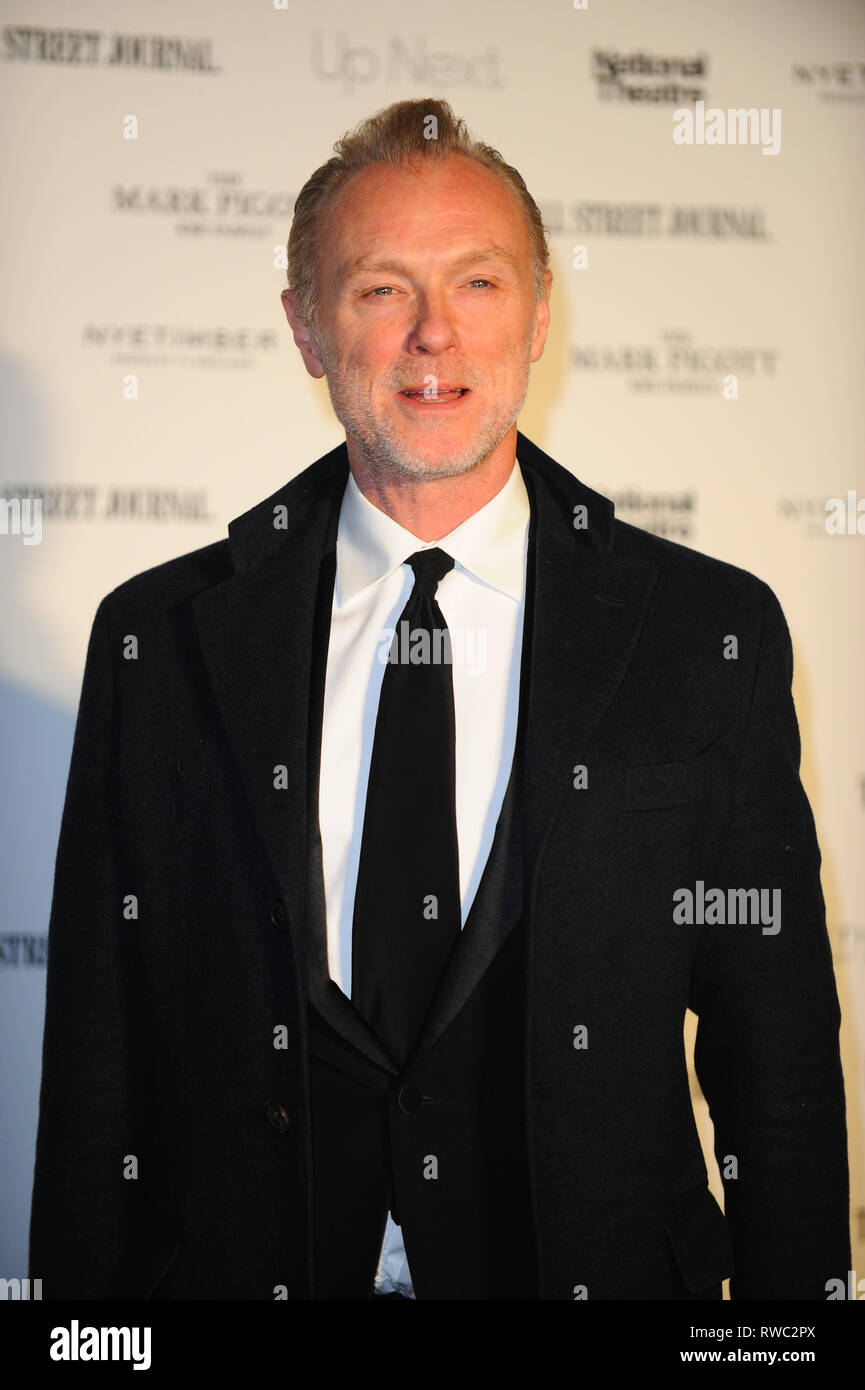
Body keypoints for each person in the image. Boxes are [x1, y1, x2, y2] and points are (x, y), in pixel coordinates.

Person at [30, 97, 849, 1301]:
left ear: (537, 316)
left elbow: (772, 1058)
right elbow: (98, 1065)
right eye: (378, 291)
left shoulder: (700, 636)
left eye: (475, 284)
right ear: (307, 329)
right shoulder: (162, 640)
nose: (432, 337)